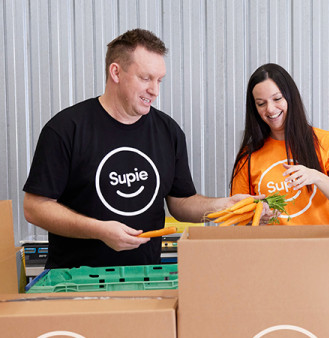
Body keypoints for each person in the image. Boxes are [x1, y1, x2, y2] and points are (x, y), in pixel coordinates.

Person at [23, 28, 259, 269]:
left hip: (145, 278)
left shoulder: (168, 132)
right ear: (115, 72)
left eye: (159, 80)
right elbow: (34, 208)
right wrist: (99, 230)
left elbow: (181, 202)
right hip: (75, 284)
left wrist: (223, 206)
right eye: (145, 78)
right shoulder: (66, 129)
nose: (154, 91)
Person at [230, 63, 329, 225]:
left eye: (277, 99)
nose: (270, 109)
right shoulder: (248, 156)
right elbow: (237, 218)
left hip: (319, 248)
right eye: (261, 103)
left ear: (291, 97)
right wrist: (256, 218)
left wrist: (316, 176)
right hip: (270, 249)